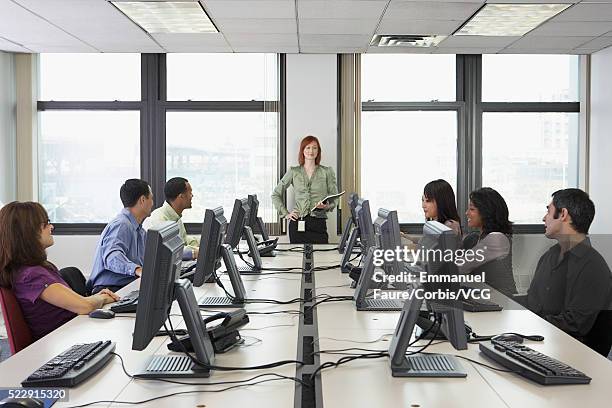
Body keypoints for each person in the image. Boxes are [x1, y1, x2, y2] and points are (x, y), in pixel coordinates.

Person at [0, 202, 119, 340]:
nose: (51, 227)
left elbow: (79, 303)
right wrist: (103, 297)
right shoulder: (31, 276)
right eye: (46, 223)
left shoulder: (37, 269)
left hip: (71, 334)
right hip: (63, 344)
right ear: (28, 232)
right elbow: (84, 306)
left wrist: (96, 297)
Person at [527, 189, 612, 353]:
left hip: (573, 355)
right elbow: (534, 301)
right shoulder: (549, 256)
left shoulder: (593, 266)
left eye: (548, 211)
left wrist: (527, 326)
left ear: (563, 214)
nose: (544, 218)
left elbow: (574, 325)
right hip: (544, 343)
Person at [87, 179, 154, 294]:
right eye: (151, 198)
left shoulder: (139, 230)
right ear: (143, 200)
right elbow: (112, 258)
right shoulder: (122, 225)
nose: (153, 203)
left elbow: (156, 250)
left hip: (125, 285)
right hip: (108, 289)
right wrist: (137, 270)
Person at [271, 135, 338, 244]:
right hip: (297, 224)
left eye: (314, 148)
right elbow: (275, 194)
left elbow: (335, 198)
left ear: (318, 151)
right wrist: (286, 213)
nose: (311, 151)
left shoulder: (327, 172)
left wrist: (326, 206)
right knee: (297, 259)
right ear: (302, 150)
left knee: (322, 259)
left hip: (318, 225)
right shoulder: (294, 171)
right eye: (307, 147)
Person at [458, 187, 517, 297]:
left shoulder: (497, 239)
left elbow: (461, 266)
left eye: (471, 209)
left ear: (486, 212)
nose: (466, 213)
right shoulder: (475, 237)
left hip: (504, 302)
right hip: (486, 297)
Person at [144, 177, 199, 261]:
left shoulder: (176, 216)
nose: (192, 196)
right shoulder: (159, 220)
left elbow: (184, 241)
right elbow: (169, 252)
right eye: (190, 193)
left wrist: (205, 244)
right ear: (181, 196)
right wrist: (194, 253)